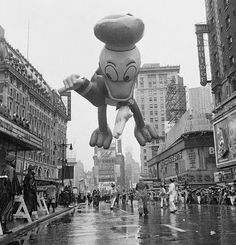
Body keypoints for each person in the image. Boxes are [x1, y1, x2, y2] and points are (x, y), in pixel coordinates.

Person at [0, 152, 21, 234]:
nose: (14, 162)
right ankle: (4, 227)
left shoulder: (2, 168)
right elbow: (11, 182)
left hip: (2, 192)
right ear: (11, 161)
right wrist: (13, 193)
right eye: (14, 160)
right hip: (7, 193)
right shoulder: (11, 169)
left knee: (2, 209)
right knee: (6, 210)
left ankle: (2, 227)